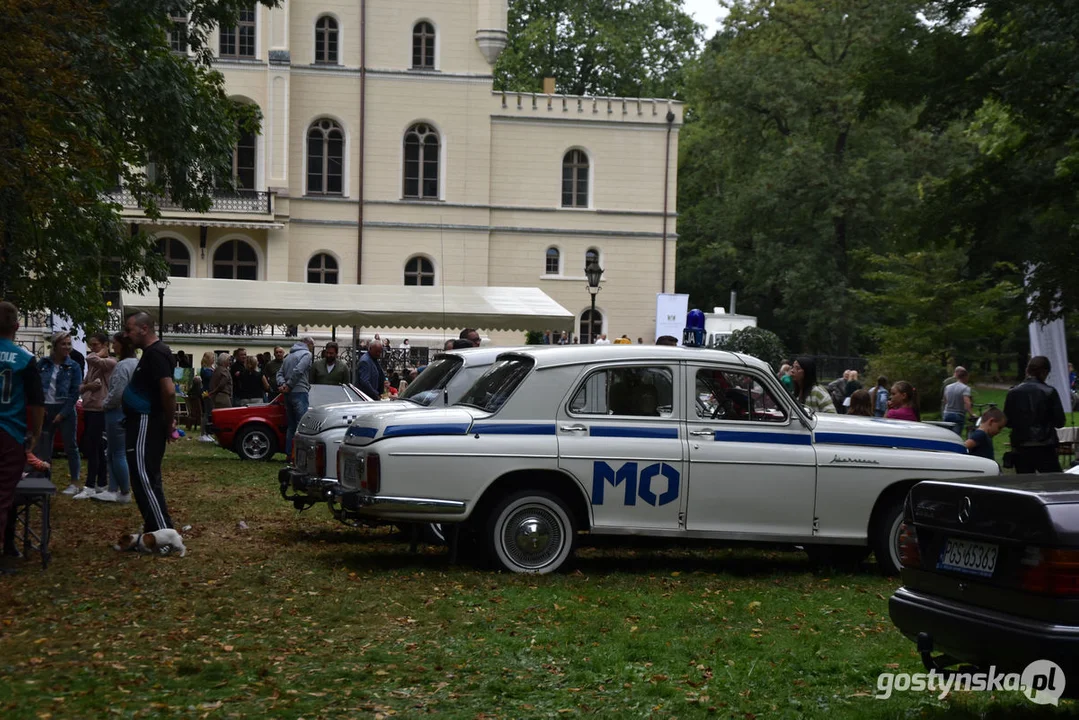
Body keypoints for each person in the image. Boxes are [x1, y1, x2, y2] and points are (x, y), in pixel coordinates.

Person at [120, 312, 182, 553]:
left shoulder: (156, 353)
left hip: (146, 422)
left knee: (144, 477)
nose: (127, 334)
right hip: (142, 422)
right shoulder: (152, 353)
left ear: (144, 329)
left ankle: (164, 538)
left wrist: (169, 422)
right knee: (144, 477)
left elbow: (168, 391)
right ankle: (153, 532)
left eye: (130, 329)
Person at [0, 303, 45, 572]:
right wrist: (36, 434)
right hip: (8, 431)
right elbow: (37, 403)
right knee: (3, 495)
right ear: (17, 327)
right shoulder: (25, 359)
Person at [35, 331, 82, 495]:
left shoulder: (74, 366)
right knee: (44, 446)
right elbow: (35, 386)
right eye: (63, 344)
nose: (67, 347)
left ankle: (75, 482)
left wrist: (63, 413)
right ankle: (44, 479)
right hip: (46, 408)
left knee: (71, 446)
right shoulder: (43, 363)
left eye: (69, 344)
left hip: (66, 409)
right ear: (55, 345)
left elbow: (75, 393)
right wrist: (41, 407)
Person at [1004, 355, 1066, 474]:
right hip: (1045, 444)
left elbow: (1008, 421)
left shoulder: (1013, 392)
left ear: (1027, 370)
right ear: (1045, 372)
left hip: (1020, 444)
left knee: (1026, 483)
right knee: (1053, 481)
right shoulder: (1049, 392)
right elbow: (1059, 422)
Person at [93, 333, 136, 504]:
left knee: (116, 453)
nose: (113, 346)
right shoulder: (137, 364)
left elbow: (117, 392)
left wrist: (105, 403)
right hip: (129, 412)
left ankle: (123, 490)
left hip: (117, 412)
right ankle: (113, 488)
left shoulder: (122, 366)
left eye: (115, 343)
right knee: (114, 452)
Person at [74, 332, 116, 499]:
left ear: (105, 345)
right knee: (96, 446)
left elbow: (91, 358)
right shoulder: (94, 364)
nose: (92, 349)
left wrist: (98, 354)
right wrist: (88, 387)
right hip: (90, 407)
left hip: (100, 409)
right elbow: (82, 386)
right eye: (90, 345)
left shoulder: (109, 362)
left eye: (96, 345)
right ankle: (100, 482)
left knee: (93, 446)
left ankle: (90, 484)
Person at [277, 336, 315, 457]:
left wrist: (283, 385)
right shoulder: (307, 355)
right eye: (312, 347)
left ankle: (289, 454)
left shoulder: (288, 356)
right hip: (299, 391)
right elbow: (299, 370)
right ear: (309, 345)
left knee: (291, 425)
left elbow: (279, 373)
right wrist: (289, 385)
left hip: (288, 394)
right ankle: (299, 455)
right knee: (301, 425)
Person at [941, 367, 973, 436]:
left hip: (947, 414)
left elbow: (945, 401)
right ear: (965, 377)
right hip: (958, 415)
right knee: (956, 436)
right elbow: (966, 402)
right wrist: (971, 414)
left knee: (947, 435)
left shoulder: (948, 387)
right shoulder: (965, 388)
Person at [198, 351, 215, 441]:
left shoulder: (211, 368)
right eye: (212, 358)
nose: (213, 360)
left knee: (210, 413)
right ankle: (203, 433)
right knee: (207, 413)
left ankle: (208, 432)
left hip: (211, 392)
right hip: (207, 393)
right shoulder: (205, 369)